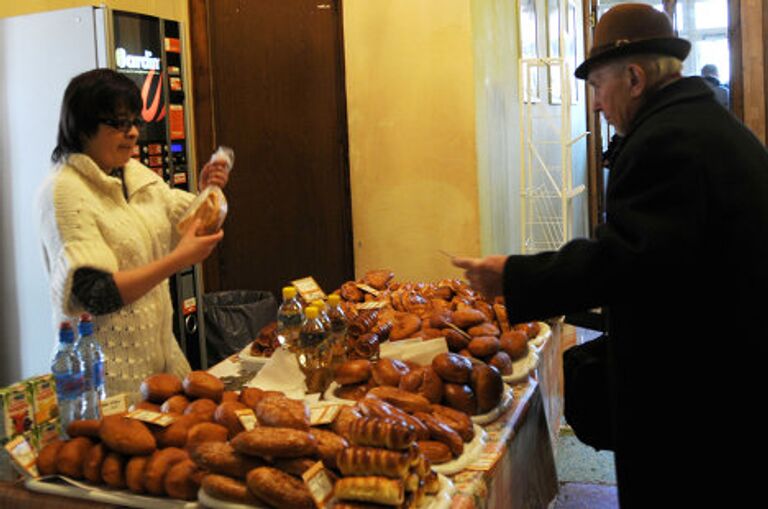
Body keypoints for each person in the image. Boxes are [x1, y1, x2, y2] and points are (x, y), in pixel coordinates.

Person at [453, 4, 768, 508]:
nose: (597, 105)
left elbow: (625, 262)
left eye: (598, 87)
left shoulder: (667, 141)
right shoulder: (698, 123)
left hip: (699, 401)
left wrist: (513, 275)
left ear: (635, 77)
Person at [38, 68, 229, 402]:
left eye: (135, 122)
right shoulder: (64, 191)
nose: (133, 134)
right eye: (118, 124)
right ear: (82, 126)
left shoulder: (134, 173)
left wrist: (208, 192)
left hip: (160, 370)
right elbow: (94, 294)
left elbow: (191, 225)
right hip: (103, 384)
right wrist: (177, 261)